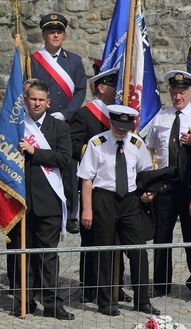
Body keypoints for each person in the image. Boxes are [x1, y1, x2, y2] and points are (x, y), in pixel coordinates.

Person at [79, 105, 161, 317]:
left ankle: (142, 301)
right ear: (111, 122)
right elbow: (86, 178)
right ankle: (105, 302)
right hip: (104, 198)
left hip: (130, 201)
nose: (121, 132)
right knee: (104, 252)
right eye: (118, 127)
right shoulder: (97, 143)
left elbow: (144, 172)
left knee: (138, 250)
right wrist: (87, 209)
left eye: (125, 128)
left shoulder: (136, 143)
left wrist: (148, 192)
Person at [7, 79, 74, 320]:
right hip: (20, 201)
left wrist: (35, 152)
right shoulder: (15, 126)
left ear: (48, 102)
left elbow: (64, 159)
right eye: (32, 99)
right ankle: (23, 300)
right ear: (25, 100)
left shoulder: (59, 128)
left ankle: (53, 304)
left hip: (49, 202)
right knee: (19, 254)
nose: (36, 103)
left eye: (40, 100)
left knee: (47, 256)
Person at [69, 67, 129, 303]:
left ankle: (115, 285)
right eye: (113, 86)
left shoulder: (120, 115)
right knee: (91, 237)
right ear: (101, 88)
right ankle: (89, 285)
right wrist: (94, 152)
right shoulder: (85, 115)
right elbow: (73, 144)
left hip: (118, 185)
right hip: (92, 185)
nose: (117, 90)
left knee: (117, 237)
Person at [30, 13, 87, 234]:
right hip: (40, 119)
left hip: (66, 121)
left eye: (59, 32)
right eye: (51, 31)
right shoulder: (33, 60)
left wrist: (67, 114)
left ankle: (71, 213)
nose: (56, 35)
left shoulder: (73, 60)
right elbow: (27, 87)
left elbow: (81, 90)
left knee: (69, 165)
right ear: (44, 34)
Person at [145, 70, 191, 296]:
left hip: (189, 186)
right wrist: (149, 181)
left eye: (182, 92)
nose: (178, 97)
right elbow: (150, 149)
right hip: (165, 186)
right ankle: (160, 283)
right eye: (174, 93)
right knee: (161, 236)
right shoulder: (161, 117)